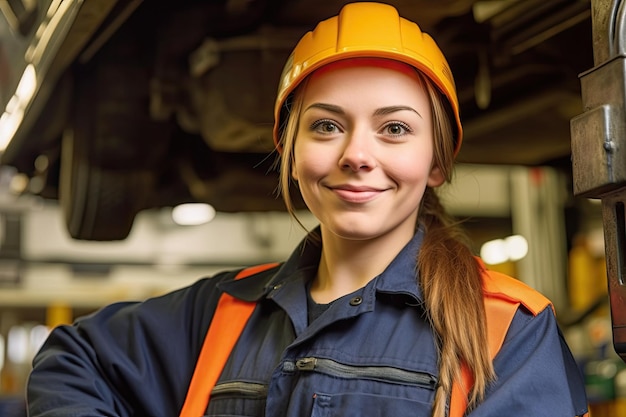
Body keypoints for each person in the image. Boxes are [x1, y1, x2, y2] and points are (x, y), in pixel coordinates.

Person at [27, 2, 589, 416]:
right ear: (289, 154)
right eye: (326, 126)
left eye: (394, 128)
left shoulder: (507, 332)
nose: (357, 155)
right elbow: (74, 359)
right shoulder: (219, 315)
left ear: (437, 162)